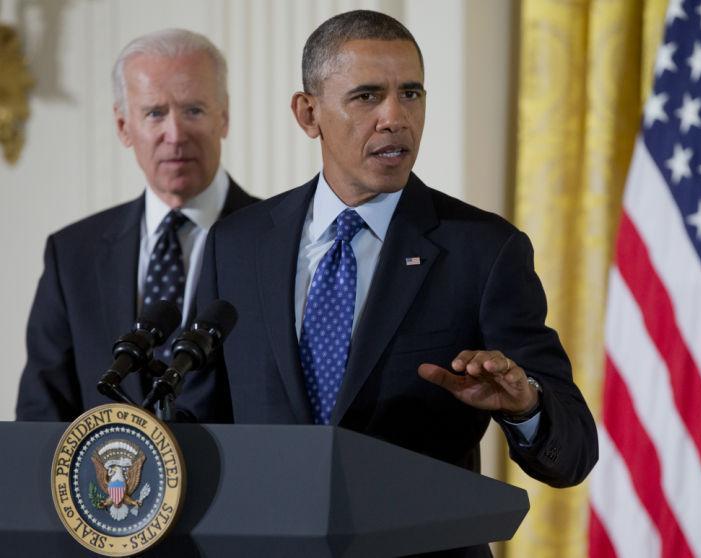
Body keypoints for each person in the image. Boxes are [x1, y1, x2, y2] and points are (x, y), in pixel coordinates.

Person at [187, 7, 597, 532]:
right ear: (308, 114)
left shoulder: (484, 251)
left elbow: (575, 452)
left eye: (411, 93)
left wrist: (526, 406)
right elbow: (197, 423)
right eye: (366, 96)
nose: (395, 117)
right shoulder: (236, 245)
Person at [16, 29, 258, 421]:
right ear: (123, 125)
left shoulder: (276, 241)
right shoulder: (72, 253)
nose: (175, 135)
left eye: (194, 110)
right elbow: (40, 413)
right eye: (154, 113)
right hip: (107, 481)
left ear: (224, 116)